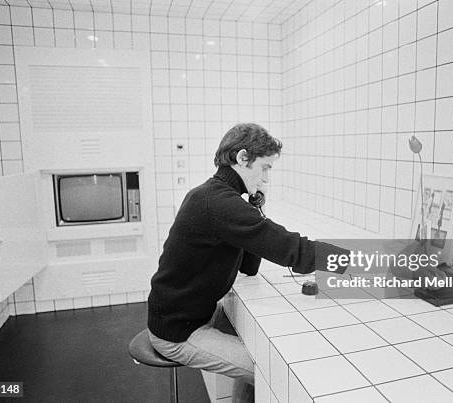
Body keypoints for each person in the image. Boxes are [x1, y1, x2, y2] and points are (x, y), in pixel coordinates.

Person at [147, 123, 347, 402]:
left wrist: (254, 209)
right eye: (265, 168)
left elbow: (249, 267)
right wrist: (359, 259)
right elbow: (294, 250)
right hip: (178, 332)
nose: (266, 178)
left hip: (189, 316)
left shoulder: (213, 196)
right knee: (270, 371)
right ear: (242, 158)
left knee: (267, 356)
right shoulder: (218, 203)